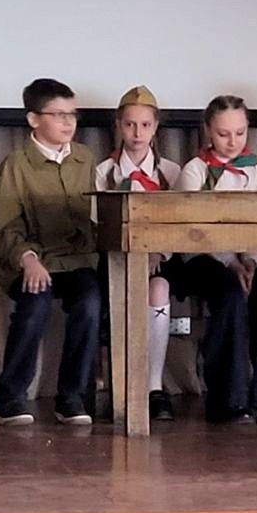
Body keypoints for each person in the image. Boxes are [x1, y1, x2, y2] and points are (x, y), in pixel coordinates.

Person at [0, 78, 100, 427]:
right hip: (31, 261)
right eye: (58, 115)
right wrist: (29, 259)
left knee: (90, 300)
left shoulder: (85, 159)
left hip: (76, 260)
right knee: (35, 302)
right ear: (34, 119)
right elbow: (8, 225)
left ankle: (72, 396)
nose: (68, 123)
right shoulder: (15, 165)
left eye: (73, 115)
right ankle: (10, 396)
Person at [174, 95, 257, 423]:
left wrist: (250, 260)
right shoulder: (195, 171)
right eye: (223, 134)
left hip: (250, 254)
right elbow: (195, 227)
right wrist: (230, 261)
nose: (233, 141)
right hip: (205, 257)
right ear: (208, 130)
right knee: (230, 294)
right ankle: (229, 400)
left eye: (239, 132)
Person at [93, 85, 182, 422]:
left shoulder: (171, 173)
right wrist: (130, 255)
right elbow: (99, 225)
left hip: (161, 260)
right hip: (117, 260)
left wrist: (157, 252)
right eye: (130, 124)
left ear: (155, 127)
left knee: (158, 287)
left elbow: (180, 222)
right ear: (119, 125)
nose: (137, 133)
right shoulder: (104, 172)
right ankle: (123, 385)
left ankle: (154, 386)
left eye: (145, 125)